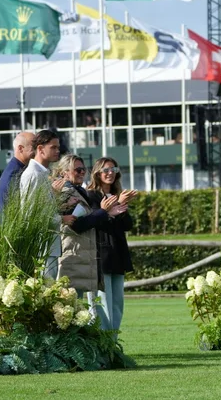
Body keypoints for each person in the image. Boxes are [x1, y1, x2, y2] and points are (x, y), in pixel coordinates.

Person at [51, 154, 125, 327]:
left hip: (83, 255)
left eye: (83, 169)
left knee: (85, 309)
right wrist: (104, 211)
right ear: (64, 173)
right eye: (77, 170)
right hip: (73, 255)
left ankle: (103, 346)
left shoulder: (78, 191)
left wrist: (107, 213)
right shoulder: (66, 192)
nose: (81, 173)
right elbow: (77, 225)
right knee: (79, 310)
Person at [86, 157, 136, 332]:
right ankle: (106, 342)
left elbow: (128, 225)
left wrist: (122, 205)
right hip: (101, 254)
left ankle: (113, 343)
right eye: (106, 170)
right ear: (97, 173)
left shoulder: (116, 194)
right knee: (103, 302)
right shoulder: (90, 195)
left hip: (118, 254)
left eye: (113, 170)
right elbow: (94, 223)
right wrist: (113, 207)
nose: (110, 173)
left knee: (117, 303)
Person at [19, 129, 72, 278]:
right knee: (45, 294)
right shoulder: (33, 174)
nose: (58, 151)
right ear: (41, 149)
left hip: (49, 246)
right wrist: (62, 219)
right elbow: (31, 215)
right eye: (53, 147)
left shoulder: (42, 172)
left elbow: (43, 207)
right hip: (41, 247)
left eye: (58, 147)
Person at [0, 131, 35, 214]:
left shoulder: (18, 169)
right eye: (34, 146)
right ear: (21, 148)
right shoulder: (15, 174)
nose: (38, 150)